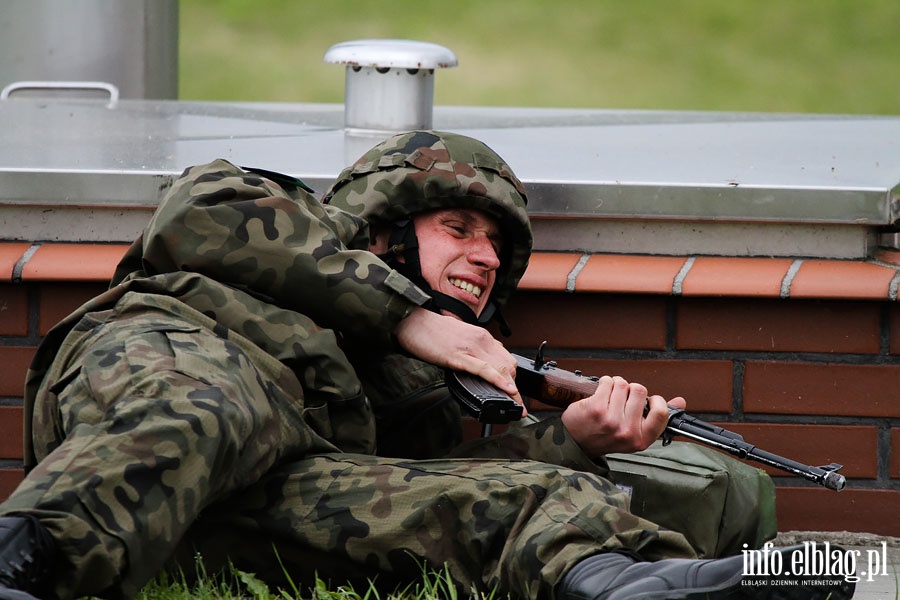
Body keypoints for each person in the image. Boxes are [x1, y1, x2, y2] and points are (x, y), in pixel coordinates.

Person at [0, 131, 853, 600]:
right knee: (208, 411)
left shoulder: (428, 384)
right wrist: (407, 315)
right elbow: (196, 209)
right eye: (459, 229)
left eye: (497, 248)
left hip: (264, 485)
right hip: (184, 360)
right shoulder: (304, 224)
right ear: (385, 225)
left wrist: (573, 443)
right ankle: (21, 565)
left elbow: (431, 480)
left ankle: (648, 589)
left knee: (532, 500)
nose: (484, 258)